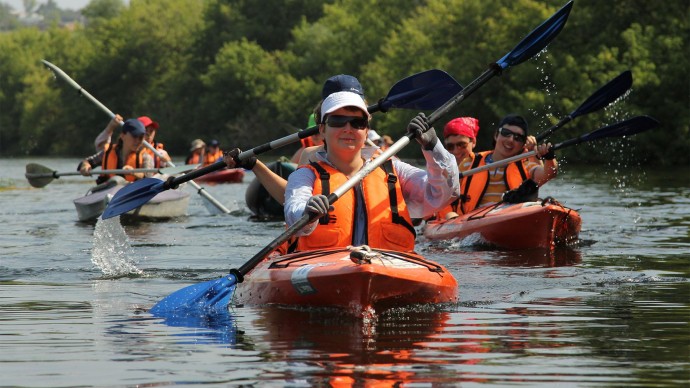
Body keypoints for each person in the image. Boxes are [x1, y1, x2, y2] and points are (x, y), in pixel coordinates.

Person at [283, 89, 460, 252]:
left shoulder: (393, 170)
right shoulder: (305, 175)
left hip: (388, 265)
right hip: (324, 267)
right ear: (322, 129)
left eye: (357, 123)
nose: (348, 129)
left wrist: (433, 148)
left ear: (366, 131)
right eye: (338, 121)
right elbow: (294, 211)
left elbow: (443, 195)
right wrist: (306, 212)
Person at [450, 114, 557, 217]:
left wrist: (549, 157)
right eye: (506, 133)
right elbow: (447, 195)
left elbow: (548, 174)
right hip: (471, 220)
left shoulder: (526, 164)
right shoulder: (470, 162)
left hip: (509, 218)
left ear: (523, 145)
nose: (510, 140)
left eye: (518, 138)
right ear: (496, 135)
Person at [78, 118, 153, 184]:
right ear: (123, 136)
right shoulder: (107, 152)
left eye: (140, 138)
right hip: (109, 190)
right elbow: (86, 161)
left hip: (133, 192)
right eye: (135, 136)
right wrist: (85, 166)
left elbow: (148, 177)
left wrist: (133, 172)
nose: (138, 141)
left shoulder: (146, 157)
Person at [93, 114, 171, 168]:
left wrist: (167, 162)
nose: (149, 134)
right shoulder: (121, 149)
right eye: (146, 130)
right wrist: (111, 127)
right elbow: (99, 146)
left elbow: (168, 175)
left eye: (151, 130)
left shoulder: (160, 153)